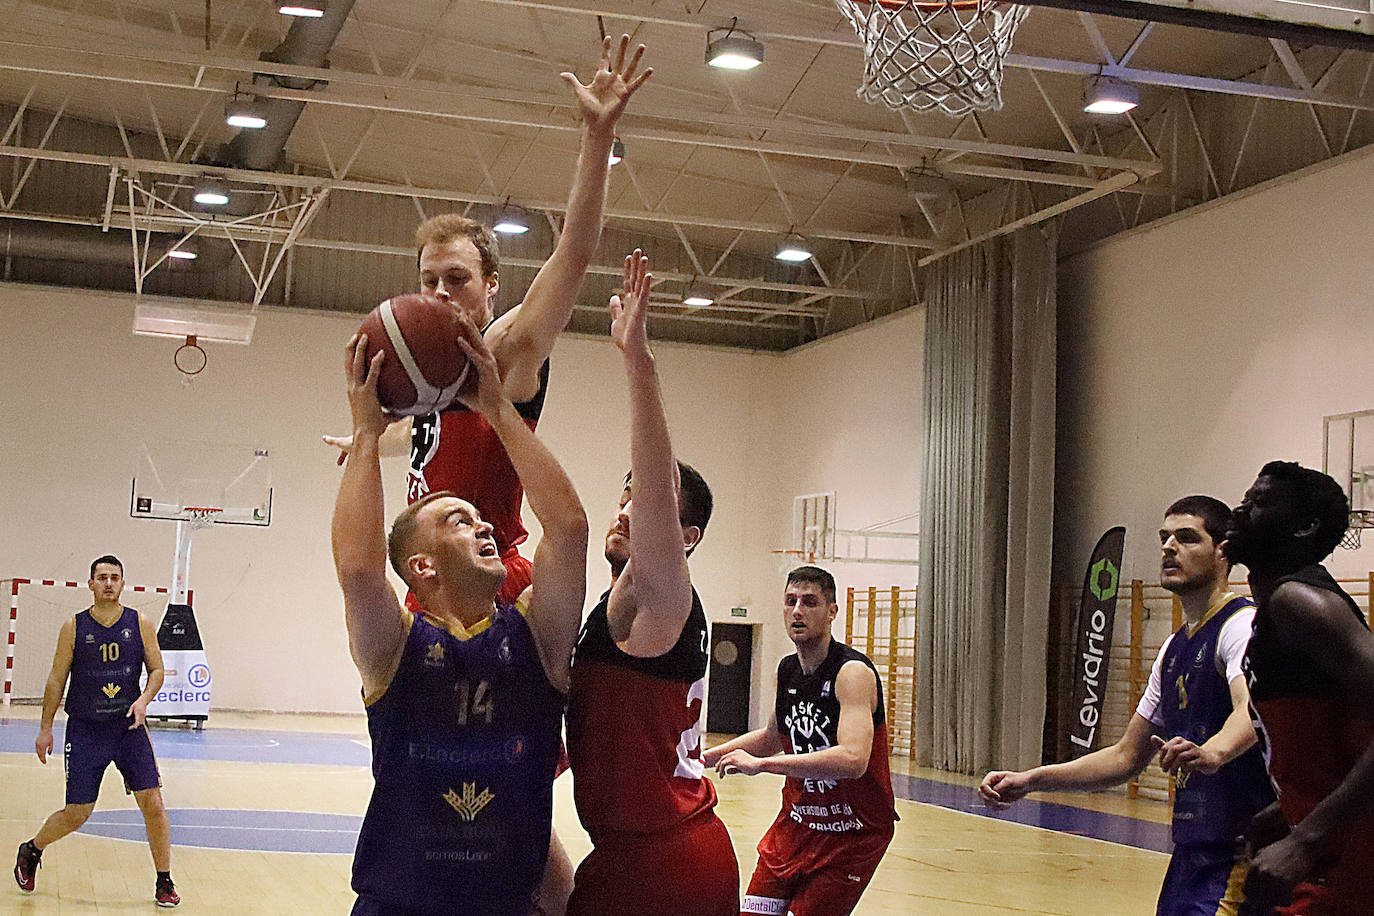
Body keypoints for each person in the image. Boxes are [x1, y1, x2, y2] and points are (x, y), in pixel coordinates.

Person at [326, 35, 651, 611]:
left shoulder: (508, 347)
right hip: (429, 581)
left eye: (458, 278)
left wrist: (596, 139)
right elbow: (434, 431)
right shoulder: (426, 368)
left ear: (491, 285)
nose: (441, 293)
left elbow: (573, 255)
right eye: (429, 280)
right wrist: (371, 437)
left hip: (493, 583)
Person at [332, 315, 587, 916]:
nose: (486, 525)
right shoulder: (393, 648)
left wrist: (499, 410)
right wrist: (366, 435)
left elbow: (569, 530)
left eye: (479, 517)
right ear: (421, 568)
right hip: (399, 905)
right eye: (459, 521)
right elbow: (359, 569)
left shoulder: (536, 638)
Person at [978, 496, 1273, 916]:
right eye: (1164, 538)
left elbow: (1251, 707)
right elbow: (1125, 756)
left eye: (1187, 538)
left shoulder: (1240, 626)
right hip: (1190, 855)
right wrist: (1031, 780)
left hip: (1239, 854)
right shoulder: (1174, 647)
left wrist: (1214, 751)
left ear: (1223, 551)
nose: (1170, 548)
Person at [563, 251, 738, 915]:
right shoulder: (611, 610)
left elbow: (656, 496)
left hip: (667, 864)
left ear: (683, 536)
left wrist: (639, 362)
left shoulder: (667, 604)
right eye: (623, 491)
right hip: (632, 855)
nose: (625, 505)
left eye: (645, 497)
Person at [704, 565, 898, 916]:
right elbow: (770, 738)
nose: (797, 610)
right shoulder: (787, 669)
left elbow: (854, 760)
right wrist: (698, 759)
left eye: (809, 602)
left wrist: (762, 767)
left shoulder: (851, 673)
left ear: (832, 611)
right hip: (797, 825)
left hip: (851, 833)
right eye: (790, 601)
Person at [1226, 462, 1374, 915]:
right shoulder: (1274, 609)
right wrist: (1286, 810)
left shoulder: (1301, 602)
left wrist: (1309, 838)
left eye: (1259, 503)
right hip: (1337, 850)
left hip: (1351, 861)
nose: (1240, 510)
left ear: (1304, 526)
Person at [13, 555, 179, 908]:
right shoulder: (74, 626)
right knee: (78, 812)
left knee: (153, 804)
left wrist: (144, 700)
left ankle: (164, 880)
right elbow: (57, 679)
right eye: (101, 577)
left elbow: (157, 670)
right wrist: (45, 728)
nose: (108, 583)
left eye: (114, 577)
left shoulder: (141, 623)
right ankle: (32, 849)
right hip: (86, 731)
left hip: (129, 729)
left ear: (123, 583)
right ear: (90, 584)